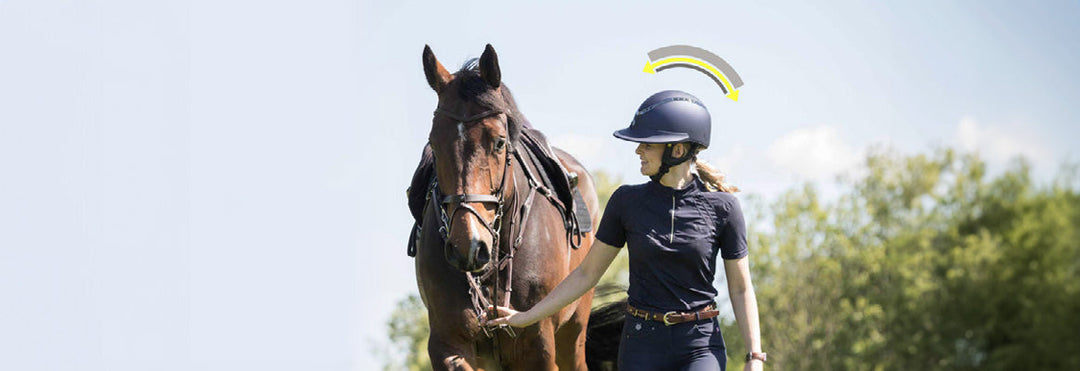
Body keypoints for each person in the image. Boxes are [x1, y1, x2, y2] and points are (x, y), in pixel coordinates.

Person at [483, 90, 765, 370]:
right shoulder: (626, 202)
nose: (638, 150)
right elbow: (586, 274)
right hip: (641, 345)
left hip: (700, 345)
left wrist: (755, 355)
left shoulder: (724, 208)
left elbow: (740, 289)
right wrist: (526, 316)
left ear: (677, 150)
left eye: (647, 145)